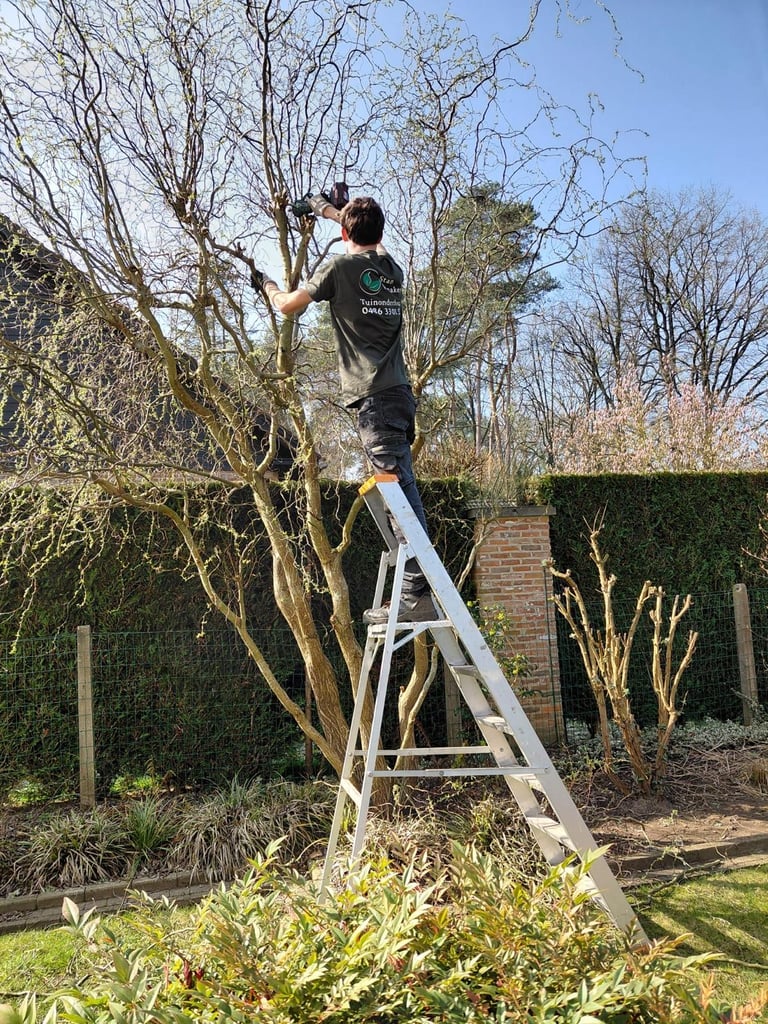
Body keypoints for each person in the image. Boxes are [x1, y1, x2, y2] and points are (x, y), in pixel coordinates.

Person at [256, 195, 436, 624]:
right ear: (379, 231)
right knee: (404, 489)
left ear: (342, 234)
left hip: (374, 400)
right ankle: (419, 589)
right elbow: (369, 240)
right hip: (399, 397)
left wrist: (265, 283)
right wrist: (328, 210)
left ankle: (416, 593)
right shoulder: (392, 269)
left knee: (397, 497)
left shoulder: (339, 268)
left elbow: (286, 305)